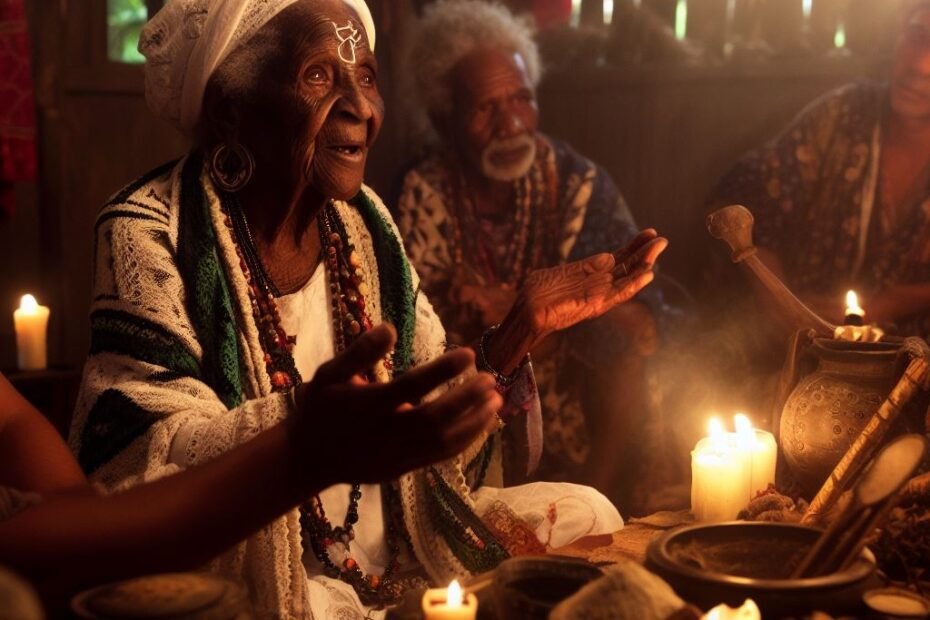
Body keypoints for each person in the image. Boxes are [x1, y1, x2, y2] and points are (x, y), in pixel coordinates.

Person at [69, 1, 667, 618]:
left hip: (401, 542)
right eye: (320, 76)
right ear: (230, 106)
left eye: (368, 77)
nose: (359, 105)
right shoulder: (151, 229)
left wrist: (522, 326)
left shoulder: (365, 224)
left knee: (589, 512)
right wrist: (304, 422)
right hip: (279, 566)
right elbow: (144, 459)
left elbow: (431, 436)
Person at [0, 329, 500, 611]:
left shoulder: (370, 224)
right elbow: (54, 554)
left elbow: (75, 521)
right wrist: (301, 453)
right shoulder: (155, 224)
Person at [396, 0, 669, 505]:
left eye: (521, 99)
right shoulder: (424, 192)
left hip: (574, 403)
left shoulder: (576, 185)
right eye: (485, 108)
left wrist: (527, 312)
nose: (511, 124)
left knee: (625, 349)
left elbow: (644, 328)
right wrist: (505, 327)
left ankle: (604, 501)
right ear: (444, 116)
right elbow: (414, 334)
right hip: (472, 396)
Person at [707, 1, 930, 340]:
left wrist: (891, 303)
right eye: (919, 35)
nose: (920, 63)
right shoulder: (844, 116)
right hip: (801, 345)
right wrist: (778, 302)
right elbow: (741, 196)